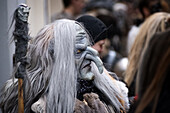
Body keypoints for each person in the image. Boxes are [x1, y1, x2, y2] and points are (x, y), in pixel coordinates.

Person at [0, 19, 129, 113]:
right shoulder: (31, 99)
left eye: (88, 48)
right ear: (59, 57)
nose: (92, 54)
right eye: (79, 51)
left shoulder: (107, 93)